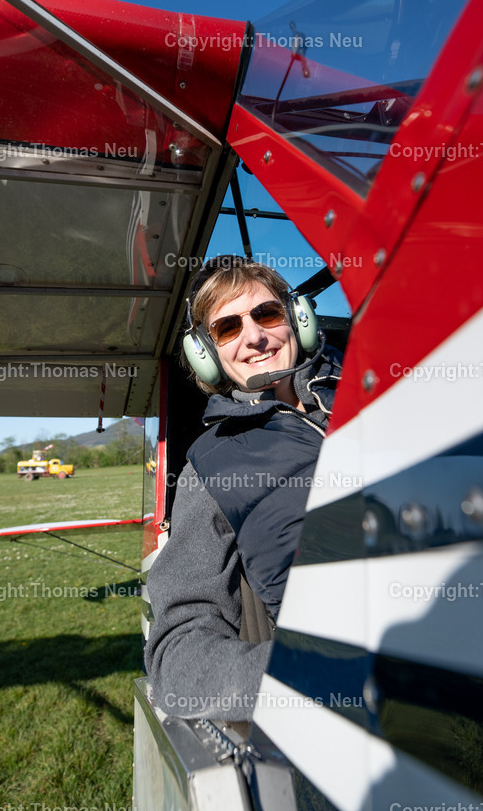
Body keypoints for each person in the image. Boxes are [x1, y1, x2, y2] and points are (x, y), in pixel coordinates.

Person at [143, 256, 342, 720]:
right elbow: (176, 658)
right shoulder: (212, 466)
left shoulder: (372, 394)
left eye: (268, 314)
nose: (254, 336)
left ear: (298, 320)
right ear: (206, 356)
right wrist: (309, 676)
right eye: (228, 328)